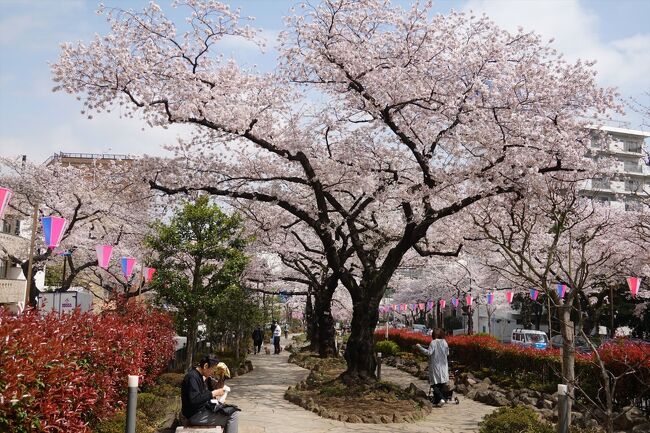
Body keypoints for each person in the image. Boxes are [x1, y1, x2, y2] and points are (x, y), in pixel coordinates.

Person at [181, 355, 239, 431]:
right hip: (194, 415)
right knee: (232, 415)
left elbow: (205, 394)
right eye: (213, 370)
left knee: (231, 410)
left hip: (200, 411)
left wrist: (221, 379)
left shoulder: (200, 376)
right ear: (205, 366)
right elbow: (194, 400)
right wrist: (213, 393)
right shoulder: (192, 377)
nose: (213, 373)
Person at [416, 328, 450, 406]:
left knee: (434, 384)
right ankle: (436, 401)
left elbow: (429, 353)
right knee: (441, 384)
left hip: (435, 366)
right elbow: (447, 353)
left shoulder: (433, 342)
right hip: (444, 366)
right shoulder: (444, 342)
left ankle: (441, 399)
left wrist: (419, 347)